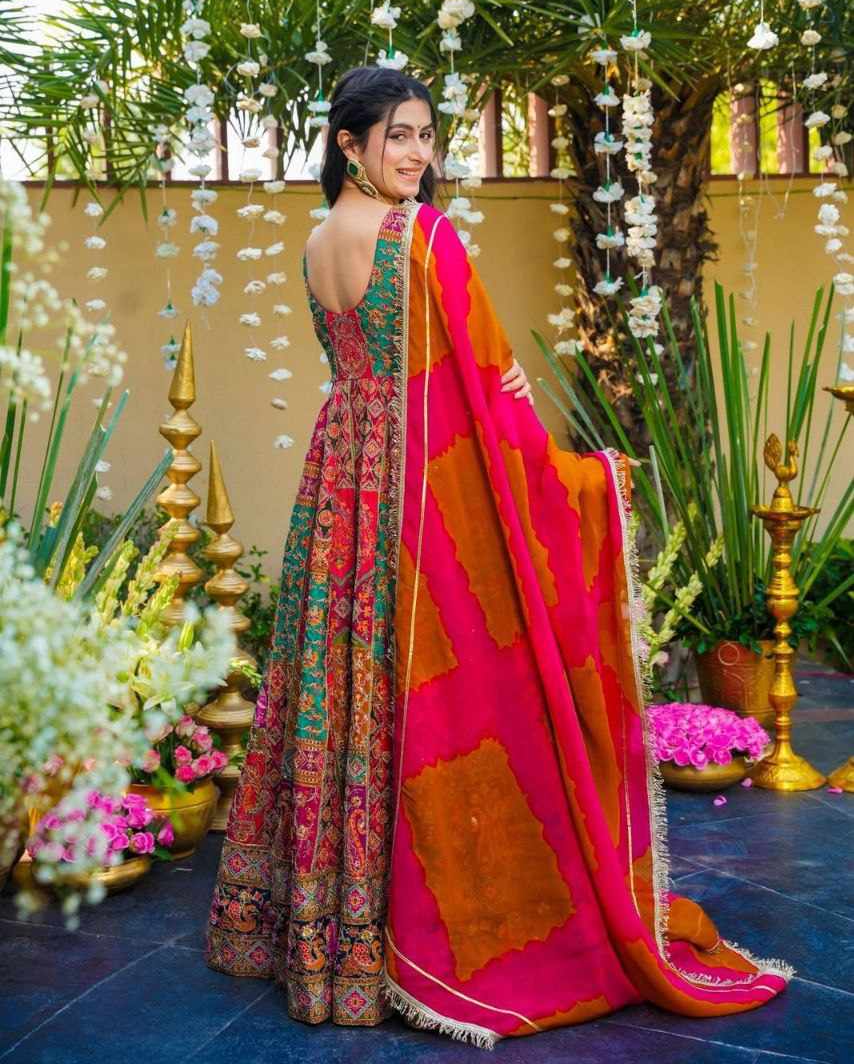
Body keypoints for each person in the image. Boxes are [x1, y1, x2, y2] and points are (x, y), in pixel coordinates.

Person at [204, 66, 791, 1048]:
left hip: (340, 476)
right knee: (430, 697)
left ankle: (326, 943)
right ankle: (429, 934)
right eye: (397, 135)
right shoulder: (420, 236)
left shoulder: (315, 243)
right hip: (416, 496)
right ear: (348, 143)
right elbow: (483, 387)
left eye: (426, 135)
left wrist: (486, 376)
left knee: (343, 689)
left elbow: (378, 368)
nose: (417, 153)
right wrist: (578, 476)